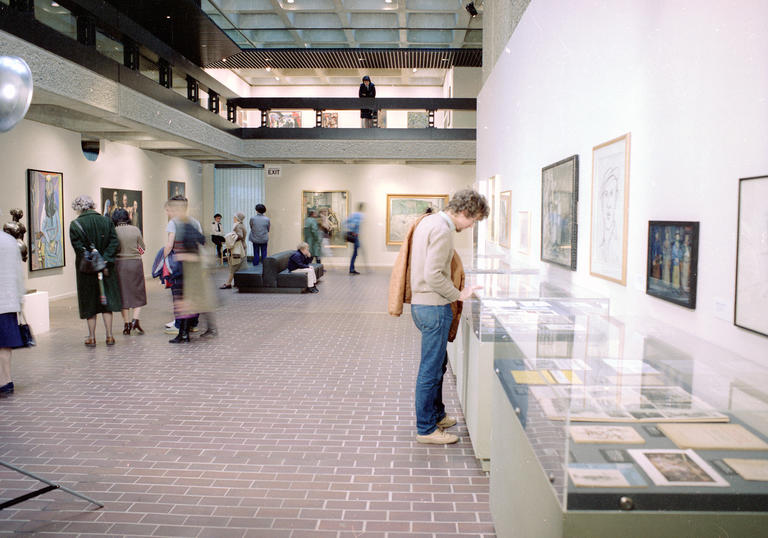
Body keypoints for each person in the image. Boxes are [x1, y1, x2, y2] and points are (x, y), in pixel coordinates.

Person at [404, 189, 488, 444]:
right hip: (434, 306)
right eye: (473, 221)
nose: (471, 225)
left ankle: (437, 415)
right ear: (465, 212)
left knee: (437, 365)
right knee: (430, 369)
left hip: (423, 305)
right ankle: (426, 429)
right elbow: (433, 275)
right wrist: (458, 294)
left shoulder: (429, 221)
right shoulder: (442, 229)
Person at [69, 194, 121, 347]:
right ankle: (109, 336)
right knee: (106, 302)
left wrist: (91, 259)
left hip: (86, 270)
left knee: (90, 303)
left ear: (78, 208)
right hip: (105, 268)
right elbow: (114, 241)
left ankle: (91, 337)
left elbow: (78, 248)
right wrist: (104, 258)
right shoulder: (106, 221)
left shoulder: (75, 225)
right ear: (92, 205)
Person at [164, 195, 207, 342]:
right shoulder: (194, 222)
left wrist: (163, 259)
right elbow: (201, 244)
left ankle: (182, 332)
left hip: (180, 265)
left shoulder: (173, 223)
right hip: (194, 265)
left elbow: (170, 245)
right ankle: (187, 330)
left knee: (179, 298)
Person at [0, 217, 25, 398]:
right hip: (7, 301)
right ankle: (6, 380)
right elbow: (18, 273)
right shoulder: (9, 242)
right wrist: (19, 299)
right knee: (5, 345)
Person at [112, 208, 147, 336]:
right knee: (138, 292)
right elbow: (143, 248)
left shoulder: (114, 231)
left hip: (120, 264)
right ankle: (135, 320)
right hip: (135, 263)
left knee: (123, 294)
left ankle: (126, 324)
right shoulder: (135, 229)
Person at [220, 212, 247, 289]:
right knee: (241, 266)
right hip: (243, 247)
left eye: (234, 217)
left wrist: (231, 237)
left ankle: (228, 283)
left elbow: (240, 236)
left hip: (238, 249)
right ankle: (238, 283)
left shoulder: (237, 226)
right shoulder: (242, 225)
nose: (233, 218)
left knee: (234, 265)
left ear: (237, 218)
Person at [346, 202, 365, 274]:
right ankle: (351, 269)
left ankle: (352, 268)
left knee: (355, 253)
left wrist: (350, 229)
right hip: (355, 236)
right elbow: (356, 224)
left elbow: (346, 222)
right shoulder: (360, 215)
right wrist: (353, 231)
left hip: (354, 235)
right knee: (355, 253)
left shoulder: (353, 214)